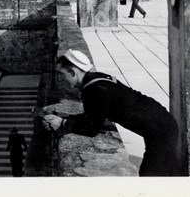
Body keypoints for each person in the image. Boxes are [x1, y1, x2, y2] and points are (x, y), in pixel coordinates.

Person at [43, 49, 180, 176]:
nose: (60, 80)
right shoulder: (95, 80)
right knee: (166, 172)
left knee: (150, 177)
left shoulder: (93, 89)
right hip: (162, 123)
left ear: (73, 72)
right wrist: (65, 119)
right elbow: (93, 115)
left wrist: (63, 123)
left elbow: (92, 128)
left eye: (61, 74)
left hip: (161, 131)